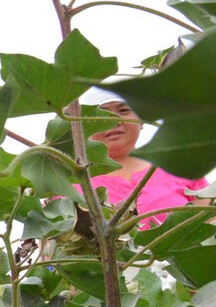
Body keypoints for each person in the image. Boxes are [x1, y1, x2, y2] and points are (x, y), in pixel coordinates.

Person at [83, 97, 209, 229]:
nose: (115, 120)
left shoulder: (181, 167)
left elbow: (210, 228)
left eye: (124, 110)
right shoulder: (70, 180)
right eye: (102, 114)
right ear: (80, 125)